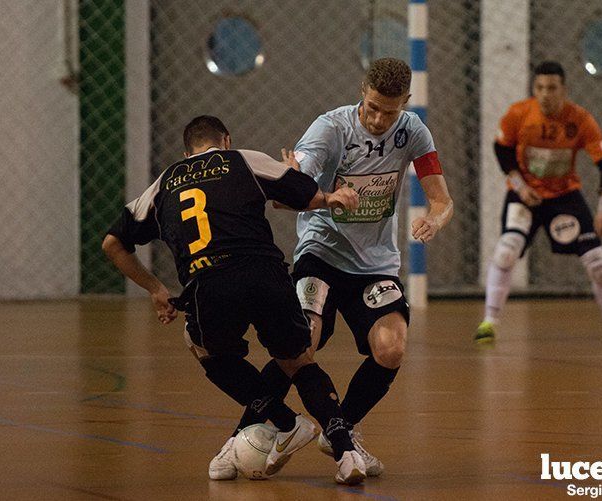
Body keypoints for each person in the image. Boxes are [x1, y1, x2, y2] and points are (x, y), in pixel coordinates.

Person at [212, 57, 454, 476]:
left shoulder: (413, 131)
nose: (379, 119)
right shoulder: (331, 127)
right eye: (372, 107)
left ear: (406, 104)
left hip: (375, 262)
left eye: (389, 111)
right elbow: (291, 186)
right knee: (302, 343)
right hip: (321, 250)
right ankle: (240, 436)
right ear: (362, 92)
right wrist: (293, 177)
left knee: (392, 349)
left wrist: (434, 219)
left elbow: (442, 199)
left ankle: (341, 430)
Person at [102, 115, 367, 485]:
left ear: (186, 152)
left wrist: (156, 290)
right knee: (298, 360)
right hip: (265, 275)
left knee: (205, 350)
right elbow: (307, 195)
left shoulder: (164, 183)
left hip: (209, 284)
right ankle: (347, 453)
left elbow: (112, 244)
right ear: (225, 141)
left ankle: (286, 422)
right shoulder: (244, 159)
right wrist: (313, 186)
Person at [474, 61, 602, 343]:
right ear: (533, 89)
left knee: (597, 263)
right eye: (539, 88)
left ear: (564, 89)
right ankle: (489, 323)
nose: (545, 94)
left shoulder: (580, 119)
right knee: (506, 251)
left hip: (565, 196)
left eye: (552, 88)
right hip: (526, 194)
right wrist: (520, 186)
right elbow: (501, 149)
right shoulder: (519, 114)